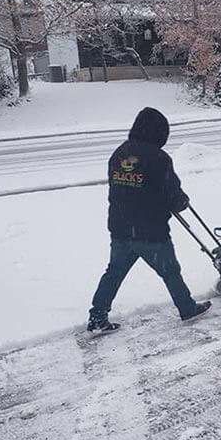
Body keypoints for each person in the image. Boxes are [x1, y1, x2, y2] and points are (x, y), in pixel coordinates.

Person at [87, 107, 211, 332]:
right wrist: (180, 201)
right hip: (151, 232)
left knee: (114, 272)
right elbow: (172, 193)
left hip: (121, 229)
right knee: (170, 271)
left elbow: (120, 190)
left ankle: (97, 316)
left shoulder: (119, 153)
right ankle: (187, 309)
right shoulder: (159, 158)